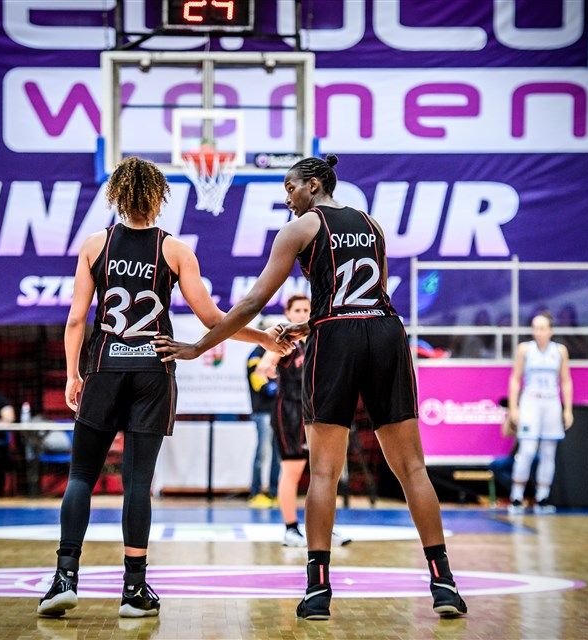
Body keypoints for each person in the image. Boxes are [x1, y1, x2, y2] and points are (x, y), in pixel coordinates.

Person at [153, 155, 466, 619]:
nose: (287, 198)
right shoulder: (372, 224)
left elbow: (253, 301)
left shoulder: (300, 228)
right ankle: (444, 584)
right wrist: (310, 324)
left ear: (314, 185)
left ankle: (318, 590)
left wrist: (199, 347)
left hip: (337, 340)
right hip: (385, 333)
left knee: (322, 472)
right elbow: (365, 297)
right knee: (412, 468)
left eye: (290, 187)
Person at [37, 157, 288, 619]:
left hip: (104, 366)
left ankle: (64, 578)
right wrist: (263, 338)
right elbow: (213, 319)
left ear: (117, 195)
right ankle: (134, 589)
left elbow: (75, 319)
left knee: (81, 475)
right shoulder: (174, 250)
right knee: (138, 482)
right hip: (153, 370)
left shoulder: (95, 245)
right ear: (158, 197)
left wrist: (73, 374)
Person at [257, 295, 352, 548]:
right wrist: (269, 369)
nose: (302, 314)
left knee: (324, 470)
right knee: (292, 470)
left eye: (306, 310)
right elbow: (263, 366)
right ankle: (290, 529)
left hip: (317, 410)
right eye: (297, 310)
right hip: (290, 410)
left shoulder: (319, 339)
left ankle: (324, 528)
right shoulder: (285, 340)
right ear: (288, 314)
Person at [506, 311, 574, 515]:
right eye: (535, 328)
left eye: (542, 328)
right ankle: (516, 497)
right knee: (526, 450)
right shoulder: (525, 349)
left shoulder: (559, 351)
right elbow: (515, 379)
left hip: (551, 402)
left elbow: (566, 381)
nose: (538, 332)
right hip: (531, 402)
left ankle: (543, 497)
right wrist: (513, 407)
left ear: (550, 330)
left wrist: (568, 409)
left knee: (548, 452)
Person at [246, 324, 281, 508]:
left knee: (278, 454)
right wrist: (275, 386)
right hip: (263, 412)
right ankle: (256, 492)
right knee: (262, 452)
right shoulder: (255, 355)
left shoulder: (277, 353)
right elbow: (259, 383)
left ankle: (275, 492)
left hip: (278, 411)